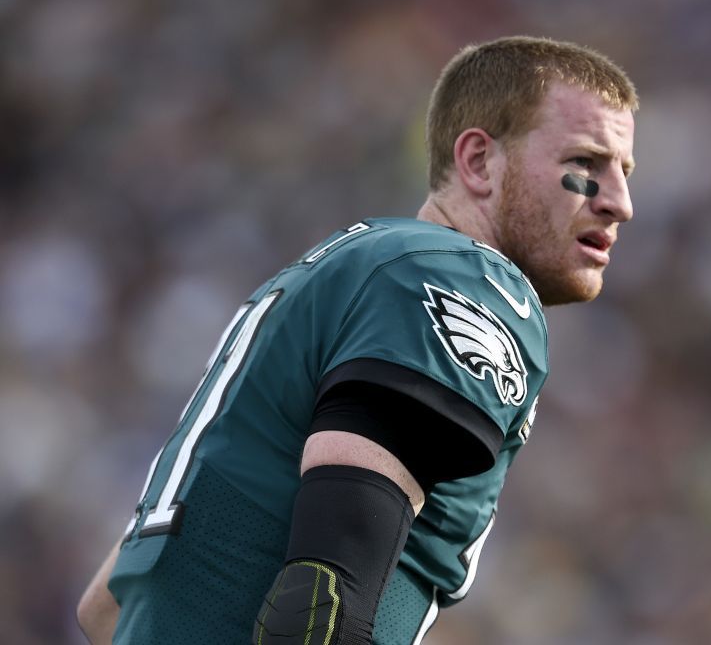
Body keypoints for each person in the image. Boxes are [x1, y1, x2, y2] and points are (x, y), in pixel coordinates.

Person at [77, 35, 637, 645]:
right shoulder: (465, 278)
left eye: (624, 173)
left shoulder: (350, 268)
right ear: (478, 161)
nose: (621, 203)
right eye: (585, 165)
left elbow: (105, 608)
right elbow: (319, 601)